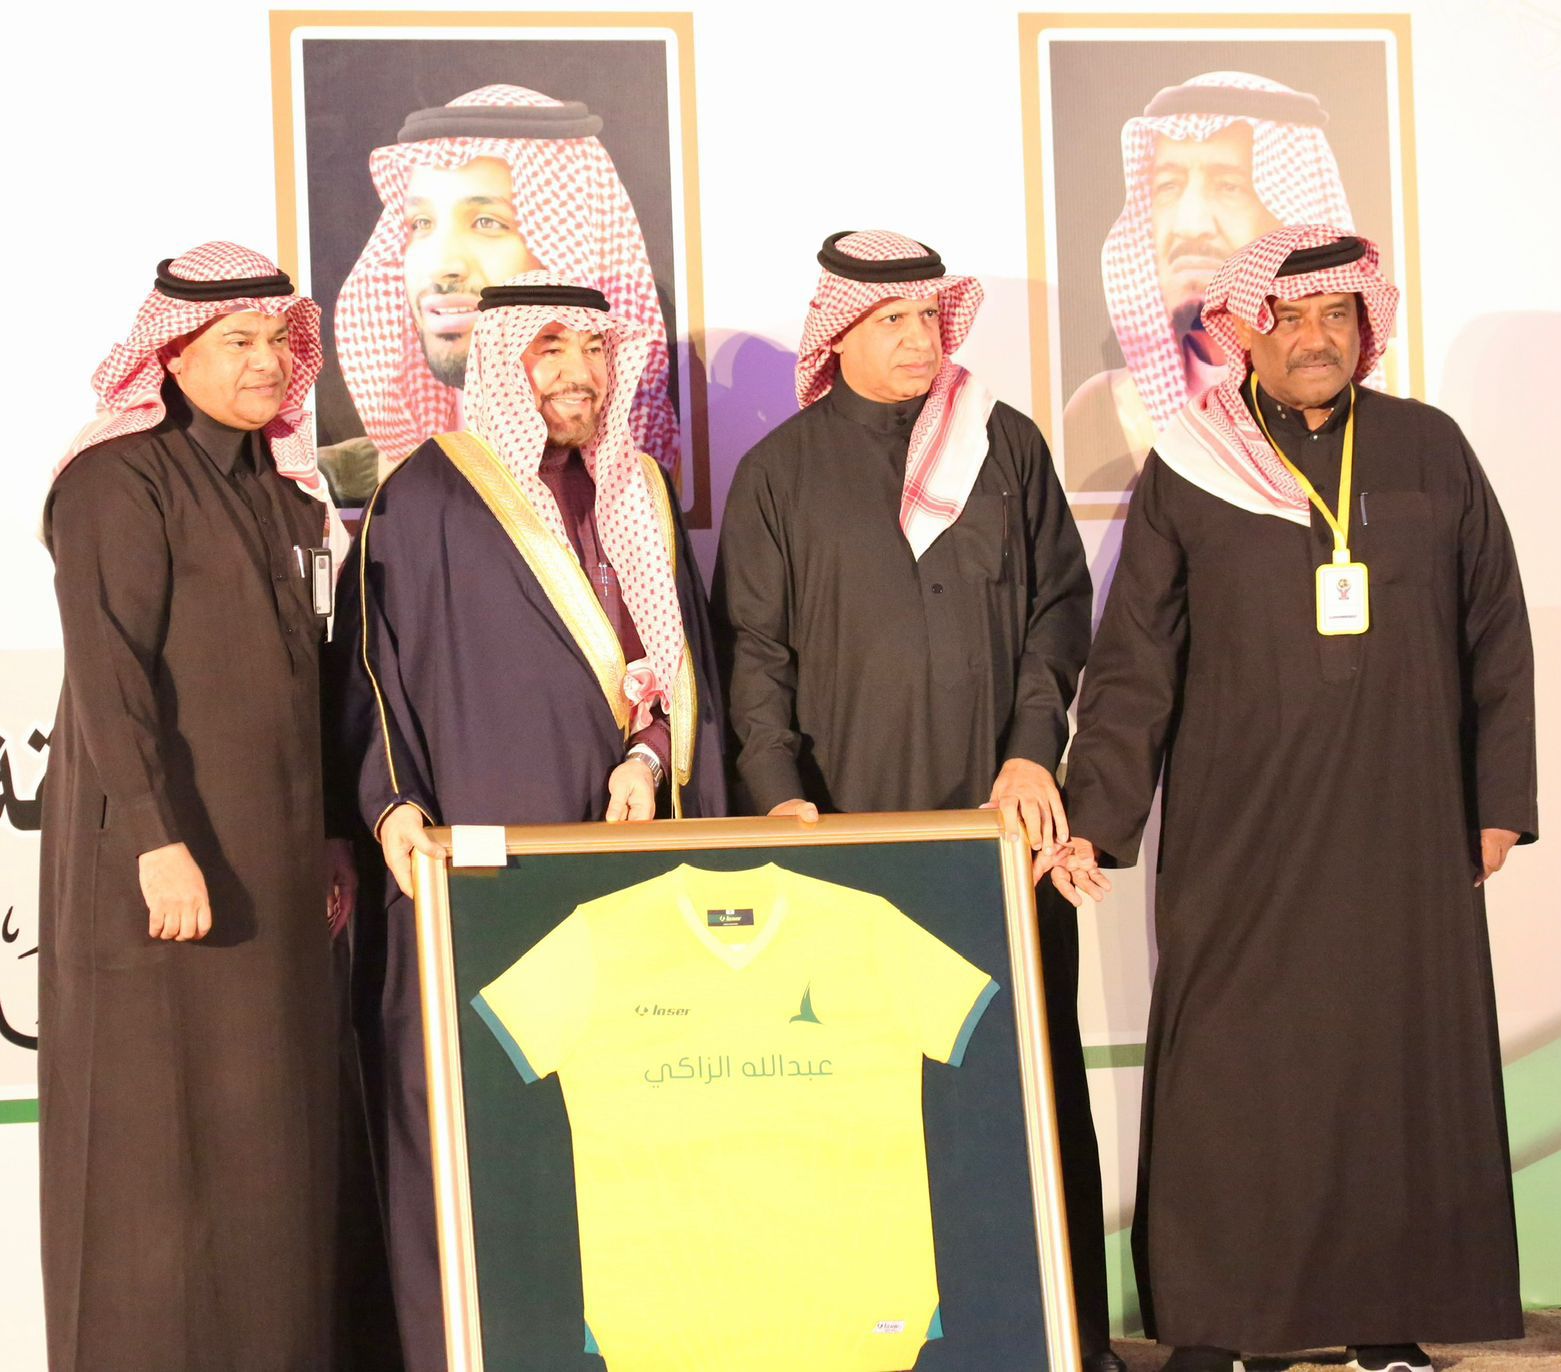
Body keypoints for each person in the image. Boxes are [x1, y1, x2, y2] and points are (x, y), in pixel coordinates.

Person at [1055, 226, 1535, 1372]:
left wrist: (1498, 800)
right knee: (1231, 1070)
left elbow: (1496, 633)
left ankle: (1385, 1320)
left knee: (1389, 1070)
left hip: (1404, 821)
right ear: (1243, 332)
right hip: (1241, 825)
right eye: (1291, 318)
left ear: (1364, 325)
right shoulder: (1192, 463)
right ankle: (1219, 1326)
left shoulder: (1426, 447)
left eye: (1336, 316)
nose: (1316, 339)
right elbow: (1135, 661)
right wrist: (1097, 820)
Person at [713, 229, 1119, 1370]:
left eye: (930, 317)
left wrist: (1032, 754)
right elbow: (755, 655)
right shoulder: (780, 472)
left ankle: (1061, 1336)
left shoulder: (1004, 444)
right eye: (891, 320)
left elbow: (1057, 612)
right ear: (838, 331)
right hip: (849, 839)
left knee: (1027, 1080)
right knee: (863, 1094)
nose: (918, 339)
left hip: (1000, 831)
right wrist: (779, 798)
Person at [339, 270, 727, 1370]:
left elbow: (679, 663)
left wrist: (649, 754)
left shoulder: (638, 489)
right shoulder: (425, 497)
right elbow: (371, 677)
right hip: (486, 878)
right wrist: (392, 805)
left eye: (595, 349)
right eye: (549, 348)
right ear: (503, 362)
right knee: (483, 1137)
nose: (578, 373)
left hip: (628, 868)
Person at [38, 243, 355, 1372]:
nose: (266, 361)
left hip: (272, 868)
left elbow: (307, 682)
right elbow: (110, 673)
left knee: (269, 1153)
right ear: (169, 357)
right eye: (237, 342)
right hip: (159, 870)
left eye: (277, 339)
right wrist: (157, 839)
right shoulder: (116, 481)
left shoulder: (283, 491)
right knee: (152, 1166)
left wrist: (330, 829)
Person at [328, 83, 680, 501]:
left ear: (570, 249)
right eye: (420, 223)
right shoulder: (344, 481)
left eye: (488, 223)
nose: (442, 265)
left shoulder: (640, 490)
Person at [1063, 72, 1360, 492]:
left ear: (1294, 216)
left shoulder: (1376, 402)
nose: (1190, 225)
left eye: (1229, 187)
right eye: (1168, 186)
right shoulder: (1106, 408)